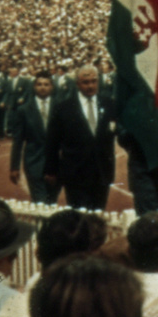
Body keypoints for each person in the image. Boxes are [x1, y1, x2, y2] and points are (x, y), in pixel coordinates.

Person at [43, 65, 117, 211]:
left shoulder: (110, 104)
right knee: (78, 218)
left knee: (98, 214)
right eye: (86, 82)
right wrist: (51, 170)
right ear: (77, 84)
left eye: (94, 81)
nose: (90, 86)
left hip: (102, 172)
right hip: (75, 173)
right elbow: (52, 141)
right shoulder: (63, 108)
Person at [8, 71, 61, 205]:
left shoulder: (60, 107)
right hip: (34, 162)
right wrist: (14, 167)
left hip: (57, 164)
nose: (42, 87)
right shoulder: (24, 110)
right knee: (40, 202)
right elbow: (18, 140)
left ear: (52, 87)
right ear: (34, 87)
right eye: (39, 84)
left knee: (52, 201)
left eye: (46, 84)